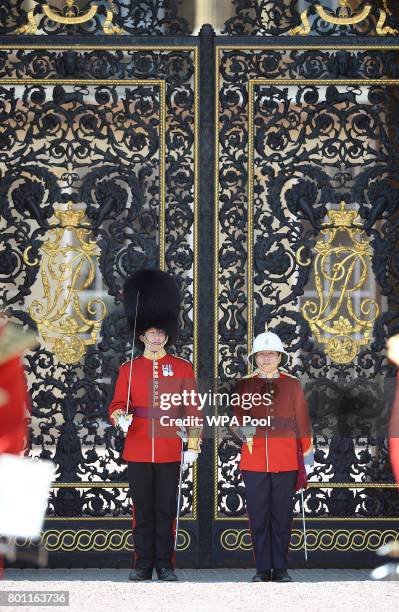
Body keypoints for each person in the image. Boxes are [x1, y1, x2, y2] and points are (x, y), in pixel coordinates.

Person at [108, 270, 201, 582]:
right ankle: (142, 564)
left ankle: (165, 564)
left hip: (169, 448)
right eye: (151, 332)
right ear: (142, 336)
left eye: (161, 333)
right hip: (137, 446)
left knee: (165, 511)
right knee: (142, 512)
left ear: (167, 334)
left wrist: (192, 445)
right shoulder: (129, 370)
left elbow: (193, 412)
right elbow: (117, 405)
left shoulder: (183, 368)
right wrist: (120, 418)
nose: (157, 337)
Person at [234, 330, 313, 583]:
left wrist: (307, 459)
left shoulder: (292, 384)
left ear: (280, 357)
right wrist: (243, 429)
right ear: (255, 358)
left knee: (281, 516)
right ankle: (262, 568)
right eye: (261, 354)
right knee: (258, 516)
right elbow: (237, 420)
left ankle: (280, 568)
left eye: (271, 354)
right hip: (254, 458)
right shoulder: (245, 384)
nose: (266, 358)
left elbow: (302, 422)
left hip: (286, 459)